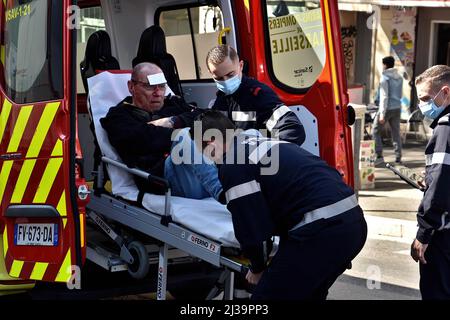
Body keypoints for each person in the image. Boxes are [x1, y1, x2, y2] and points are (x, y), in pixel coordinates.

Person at [192, 110, 367, 300]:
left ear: (210, 143)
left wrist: (257, 267)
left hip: (322, 233)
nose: (208, 158)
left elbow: (250, 225)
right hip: (353, 224)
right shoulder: (265, 143)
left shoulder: (233, 164)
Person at [100, 62, 223, 201]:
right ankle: (223, 193)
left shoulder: (172, 104)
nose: (158, 93)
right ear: (131, 87)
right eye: (150, 86)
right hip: (163, 180)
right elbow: (145, 138)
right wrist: (185, 133)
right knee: (183, 136)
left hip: (200, 172)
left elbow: (207, 116)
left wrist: (173, 121)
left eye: (162, 87)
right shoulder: (118, 117)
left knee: (247, 135)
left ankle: (242, 186)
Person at [206, 45, 306, 145]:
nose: (226, 81)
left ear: (240, 66)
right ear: (211, 74)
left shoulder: (259, 96)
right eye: (219, 78)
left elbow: (292, 130)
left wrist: (264, 154)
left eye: (230, 74)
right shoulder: (217, 104)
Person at [411, 65, 450, 300]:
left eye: (426, 98)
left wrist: (424, 233)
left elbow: (439, 187)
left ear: (445, 92)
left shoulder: (445, 128)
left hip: (443, 235)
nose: (422, 105)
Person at [372, 56, 404, 165]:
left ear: (385, 65)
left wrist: (381, 114)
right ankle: (398, 156)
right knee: (395, 132)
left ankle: (379, 155)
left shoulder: (384, 78)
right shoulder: (399, 77)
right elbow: (400, 94)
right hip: (397, 107)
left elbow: (384, 97)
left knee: (375, 131)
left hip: (387, 108)